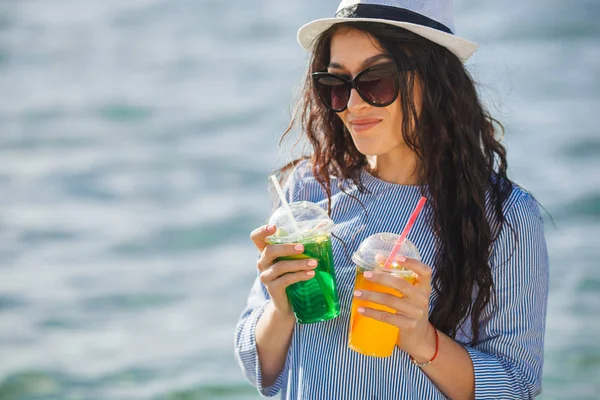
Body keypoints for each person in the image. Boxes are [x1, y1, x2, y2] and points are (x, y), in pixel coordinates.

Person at [234, 0, 549, 399]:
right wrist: (280, 310)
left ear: (436, 80)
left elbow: (516, 386)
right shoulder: (308, 190)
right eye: (336, 84)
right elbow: (258, 366)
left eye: (376, 80)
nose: (352, 104)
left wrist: (421, 338)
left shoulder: (504, 216)